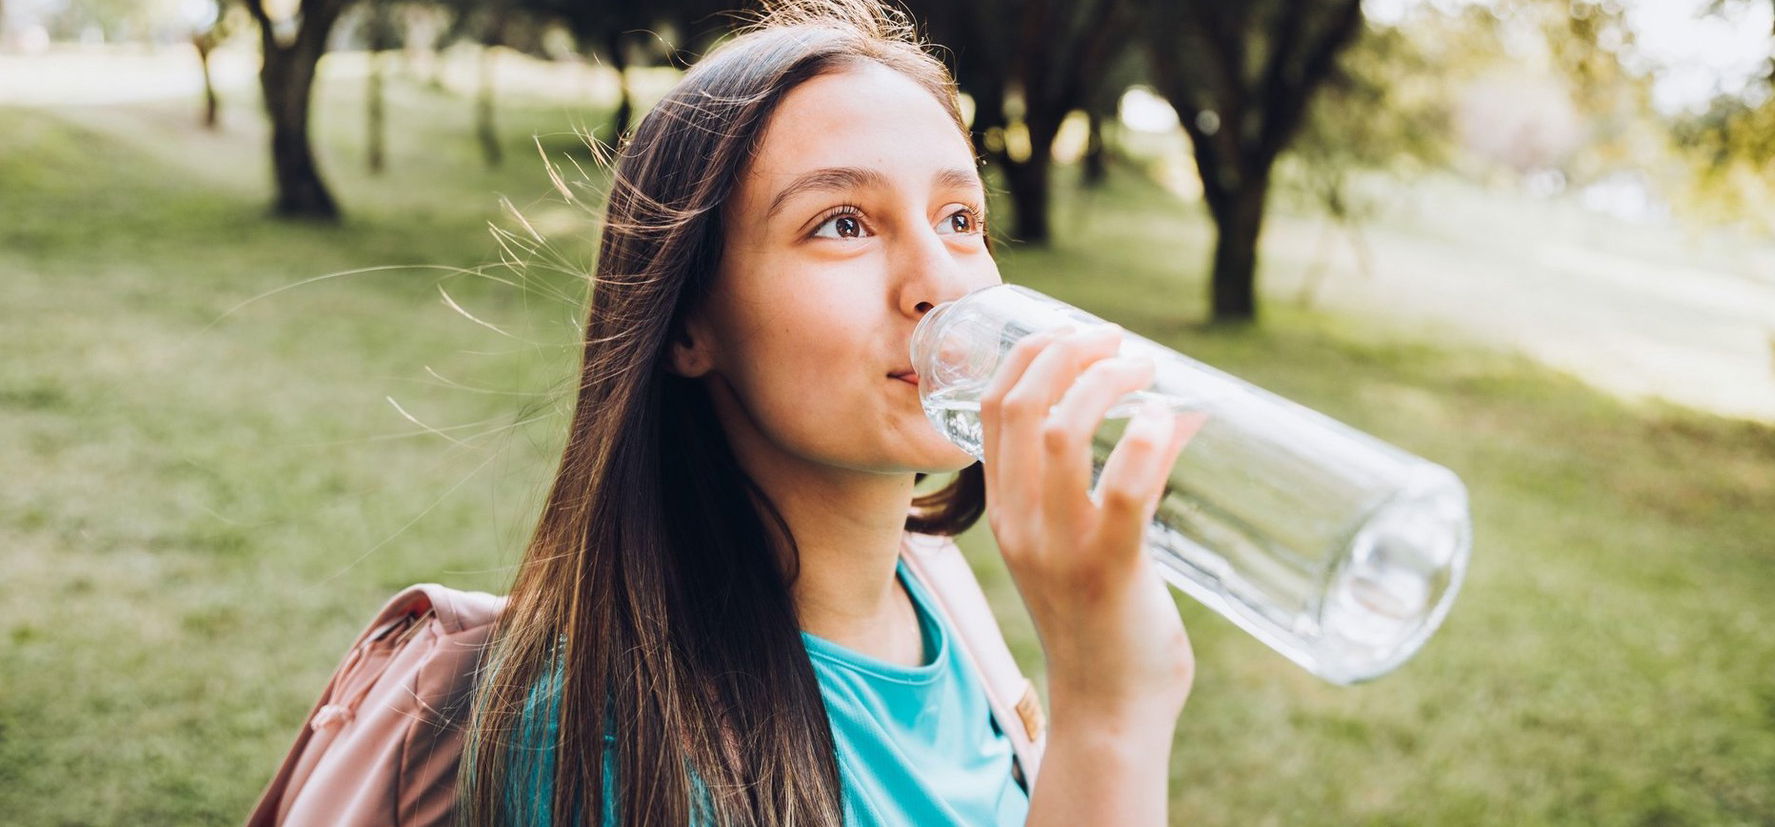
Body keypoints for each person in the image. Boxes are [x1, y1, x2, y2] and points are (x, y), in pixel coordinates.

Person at [458, 1, 1200, 824]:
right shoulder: (614, 737)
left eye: (959, 219)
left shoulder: (928, 581)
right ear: (687, 325)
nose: (940, 283)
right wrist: (1108, 712)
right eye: (842, 224)